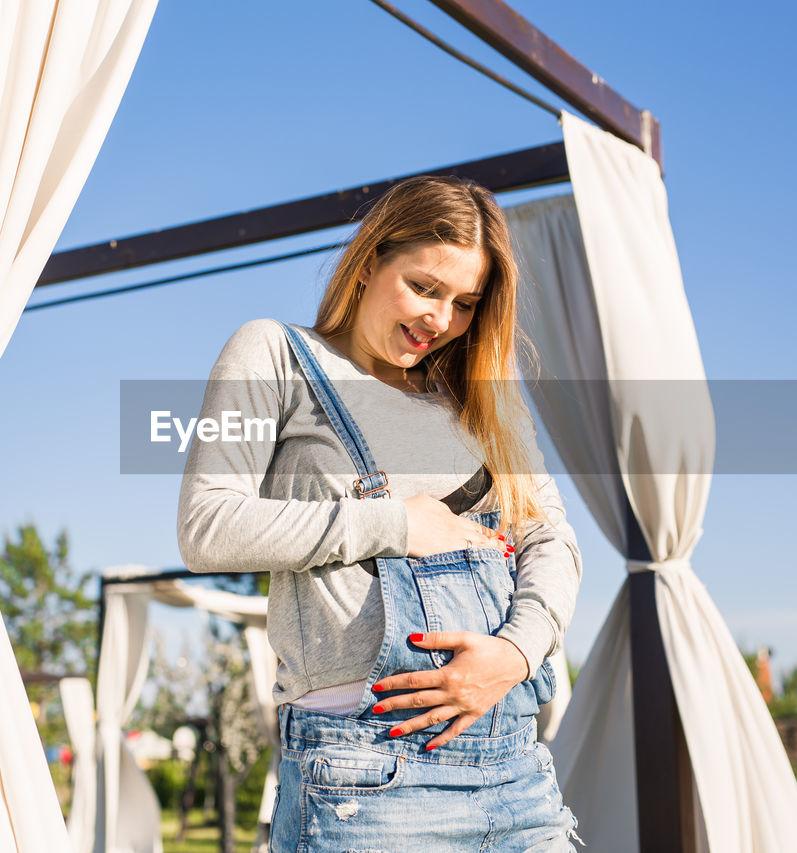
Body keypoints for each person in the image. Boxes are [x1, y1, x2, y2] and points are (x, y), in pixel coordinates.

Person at [177, 176, 583, 851]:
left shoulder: (480, 398)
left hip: (516, 769)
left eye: (464, 302)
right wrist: (394, 523)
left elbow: (551, 538)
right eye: (425, 287)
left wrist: (516, 651)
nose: (441, 319)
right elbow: (207, 525)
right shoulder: (275, 354)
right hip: (365, 778)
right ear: (368, 262)